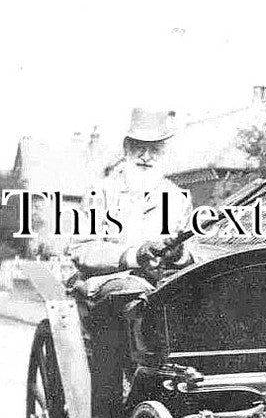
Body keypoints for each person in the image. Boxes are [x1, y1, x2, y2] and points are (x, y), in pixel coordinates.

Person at [67, 107, 194, 293]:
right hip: (109, 285)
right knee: (131, 294)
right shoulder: (101, 192)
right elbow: (82, 249)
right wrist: (134, 255)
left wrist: (179, 255)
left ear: (164, 153)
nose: (146, 157)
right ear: (126, 149)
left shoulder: (178, 198)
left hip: (165, 287)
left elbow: (195, 251)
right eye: (139, 147)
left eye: (154, 150)